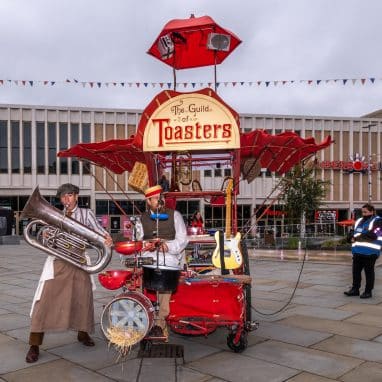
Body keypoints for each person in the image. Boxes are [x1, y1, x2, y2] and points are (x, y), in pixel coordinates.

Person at [26, 183, 113, 363]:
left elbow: (98, 229)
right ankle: (34, 344)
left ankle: (83, 333)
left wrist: (107, 237)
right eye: (63, 197)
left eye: (70, 195)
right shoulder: (54, 215)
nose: (67, 199)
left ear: (76, 197)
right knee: (44, 301)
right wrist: (46, 236)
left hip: (79, 260)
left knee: (83, 299)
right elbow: (43, 235)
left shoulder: (86, 213)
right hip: (59, 261)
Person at [136, 185, 188, 339]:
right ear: (148, 201)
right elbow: (138, 239)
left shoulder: (175, 215)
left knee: (165, 274)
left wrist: (168, 246)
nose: (160, 201)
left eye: (162, 198)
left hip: (169, 256)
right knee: (135, 277)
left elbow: (182, 239)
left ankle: (159, 323)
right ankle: (142, 318)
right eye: (156, 199)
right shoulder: (141, 218)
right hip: (148, 255)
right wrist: (146, 245)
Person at [344, 203, 382, 299]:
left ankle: (368, 291)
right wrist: (349, 238)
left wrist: (356, 238)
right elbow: (352, 232)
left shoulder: (378, 221)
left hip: (370, 252)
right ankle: (355, 289)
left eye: (365, 212)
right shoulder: (359, 221)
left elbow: (374, 235)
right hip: (357, 251)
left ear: (372, 211)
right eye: (362, 212)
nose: (363, 214)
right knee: (355, 272)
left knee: (369, 273)